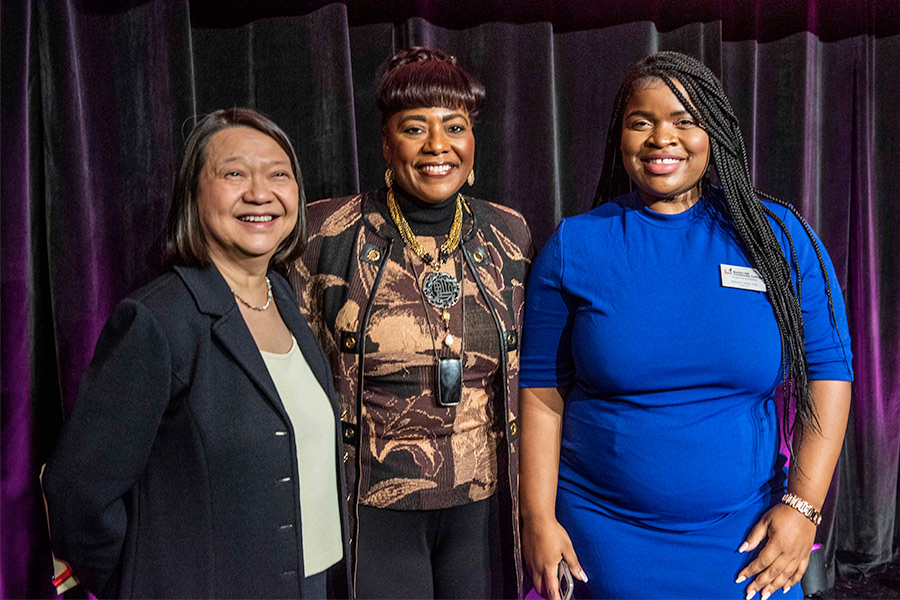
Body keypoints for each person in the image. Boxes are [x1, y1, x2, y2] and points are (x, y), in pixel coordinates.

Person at [519, 51, 853, 600]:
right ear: (620, 136)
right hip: (603, 535)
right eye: (641, 122)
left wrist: (804, 510)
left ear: (714, 133)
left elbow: (829, 372)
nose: (661, 138)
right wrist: (537, 519)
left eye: (684, 121)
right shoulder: (576, 245)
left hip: (747, 539)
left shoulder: (778, 238)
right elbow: (540, 393)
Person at [42, 108, 350, 599]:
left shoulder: (282, 297)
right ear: (194, 193)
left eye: (278, 175)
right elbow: (78, 491)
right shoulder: (159, 320)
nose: (260, 192)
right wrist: (145, 582)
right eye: (234, 174)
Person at [289, 47, 533, 599]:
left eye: (455, 126)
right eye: (415, 128)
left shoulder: (509, 237)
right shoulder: (327, 233)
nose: (437, 146)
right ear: (385, 141)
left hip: (484, 507)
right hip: (372, 503)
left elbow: (534, 379)